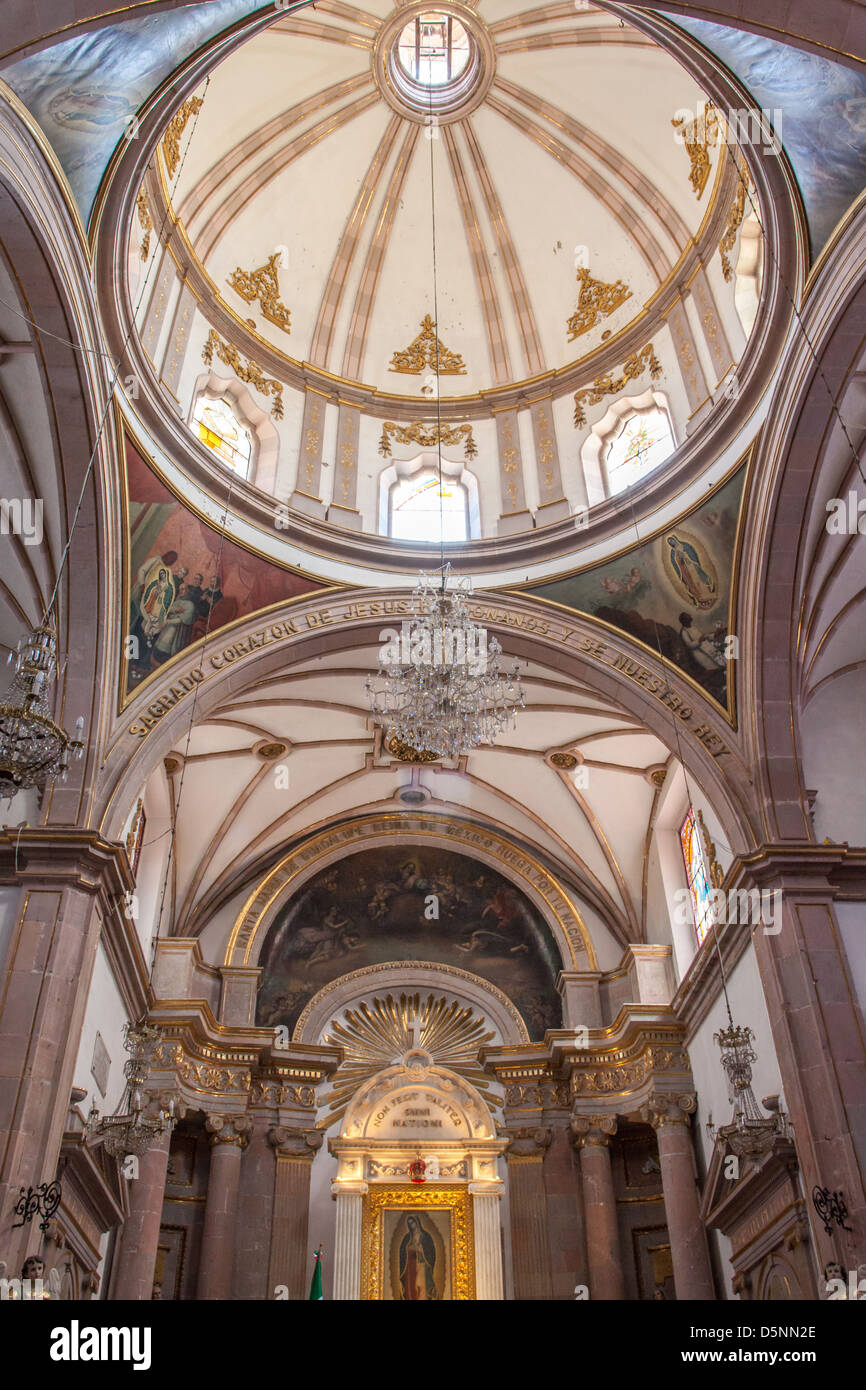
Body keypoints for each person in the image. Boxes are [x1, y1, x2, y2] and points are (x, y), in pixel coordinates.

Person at [399, 1215, 437, 1300]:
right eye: (410, 1224)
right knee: (412, 1288)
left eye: (413, 1223)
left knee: (421, 1287)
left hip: (422, 1266)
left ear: (417, 1223)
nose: (412, 1225)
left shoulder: (425, 1237)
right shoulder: (407, 1238)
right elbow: (402, 1254)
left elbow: (431, 1253)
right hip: (410, 1268)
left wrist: (422, 1250)